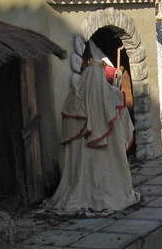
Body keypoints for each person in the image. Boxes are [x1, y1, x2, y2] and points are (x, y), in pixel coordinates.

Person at [43, 40, 140, 212]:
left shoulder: (74, 98)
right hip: (109, 152)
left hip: (82, 156)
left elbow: (68, 129)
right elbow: (126, 126)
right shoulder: (114, 97)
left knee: (84, 175)